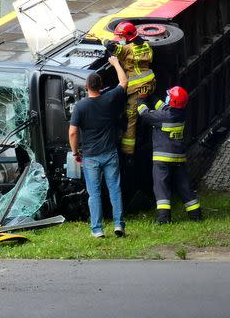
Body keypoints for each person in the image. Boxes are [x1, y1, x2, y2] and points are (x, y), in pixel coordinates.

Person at [69, 55, 128, 238]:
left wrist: (75, 152)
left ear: (87, 87)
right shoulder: (110, 99)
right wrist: (116, 63)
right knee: (115, 190)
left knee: (94, 194)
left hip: (91, 156)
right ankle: (119, 225)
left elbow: (72, 132)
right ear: (101, 86)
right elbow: (124, 82)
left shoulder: (80, 107)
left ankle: (97, 230)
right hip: (110, 153)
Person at [138, 86, 202, 224]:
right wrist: (151, 96)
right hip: (179, 157)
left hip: (162, 160)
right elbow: (163, 106)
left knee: (161, 187)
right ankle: (195, 214)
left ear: (172, 101)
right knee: (184, 186)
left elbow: (144, 113)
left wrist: (141, 99)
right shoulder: (180, 113)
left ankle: (163, 218)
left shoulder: (163, 117)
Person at [105, 21, 154, 156]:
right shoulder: (146, 45)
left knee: (131, 119)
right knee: (147, 109)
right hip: (149, 84)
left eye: (120, 37)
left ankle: (128, 153)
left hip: (136, 88)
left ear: (127, 37)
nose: (119, 39)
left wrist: (105, 42)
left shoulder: (127, 49)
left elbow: (112, 47)